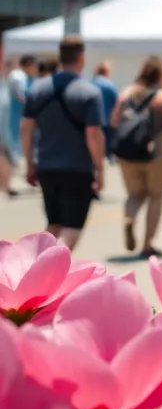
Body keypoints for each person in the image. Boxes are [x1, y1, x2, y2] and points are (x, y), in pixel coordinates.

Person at [20, 37, 106, 252]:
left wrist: (30, 163)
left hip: (47, 166)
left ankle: (30, 267)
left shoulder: (37, 89)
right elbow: (93, 134)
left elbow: (25, 128)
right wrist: (100, 168)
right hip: (77, 168)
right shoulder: (89, 92)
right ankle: (46, 270)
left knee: (54, 224)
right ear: (82, 58)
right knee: (71, 227)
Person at [113, 56, 162, 258]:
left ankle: (129, 218)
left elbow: (114, 120)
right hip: (156, 151)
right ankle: (147, 244)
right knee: (156, 196)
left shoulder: (126, 93)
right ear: (160, 74)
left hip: (128, 152)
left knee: (135, 194)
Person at [7, 55, 35, 163]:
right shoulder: (19, 76)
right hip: (18, 112)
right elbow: (21, 94)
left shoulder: (21, 76)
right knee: (17, 135)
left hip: (18, 112)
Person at [92, 61, 119, 159]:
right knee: (107, 152)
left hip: (91, 122)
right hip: (107, 123)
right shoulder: (110, 85)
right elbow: (117, 104)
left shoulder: (90, 83)